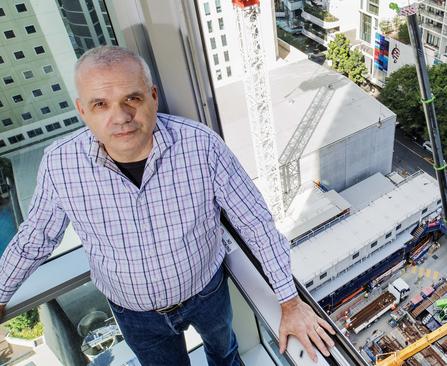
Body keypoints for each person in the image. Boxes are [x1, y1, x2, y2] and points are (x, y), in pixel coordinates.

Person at [0, 46, 334, 365]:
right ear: (82, 110)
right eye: (101, 104)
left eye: (132, 98)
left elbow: (255, 222)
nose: (121, 117)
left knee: (226, 356)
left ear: (153, 98)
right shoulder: (60, 165)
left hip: (207, 294)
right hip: (134, 314)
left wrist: (290, 301)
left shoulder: (201, 146)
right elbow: (36, 238)